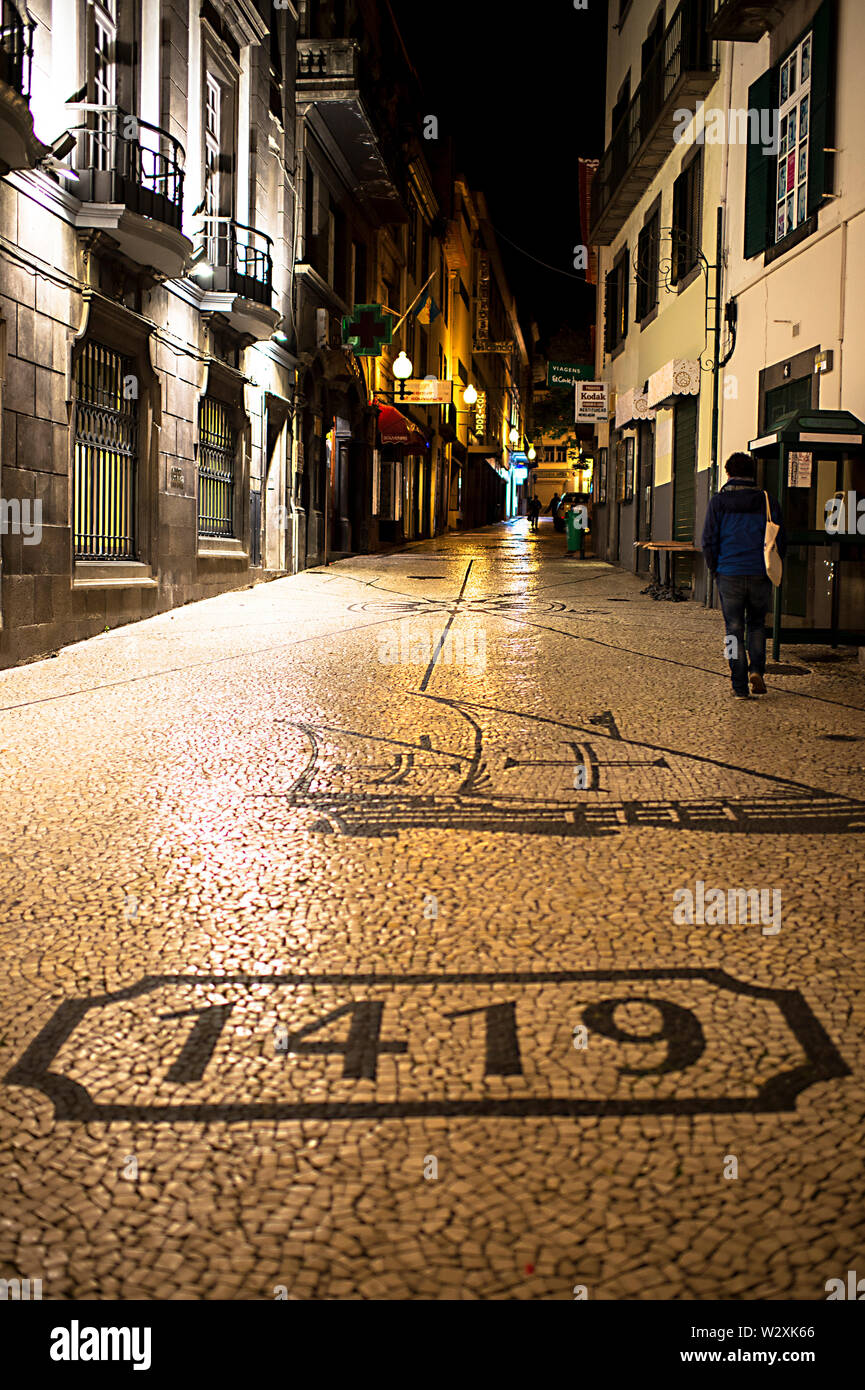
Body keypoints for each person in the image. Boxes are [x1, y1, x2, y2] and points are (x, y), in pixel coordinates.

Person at [701, 451, 787, 699]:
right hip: (760, 571)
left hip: (729, 573)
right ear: (752, 474)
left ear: (728, 473)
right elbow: (781, 538)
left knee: (733, 629)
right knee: (757, 625)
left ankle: (738, 684)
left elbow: (708, 540)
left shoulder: (718, 502)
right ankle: (756, 670)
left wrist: (714, 567)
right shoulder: (767, 500)